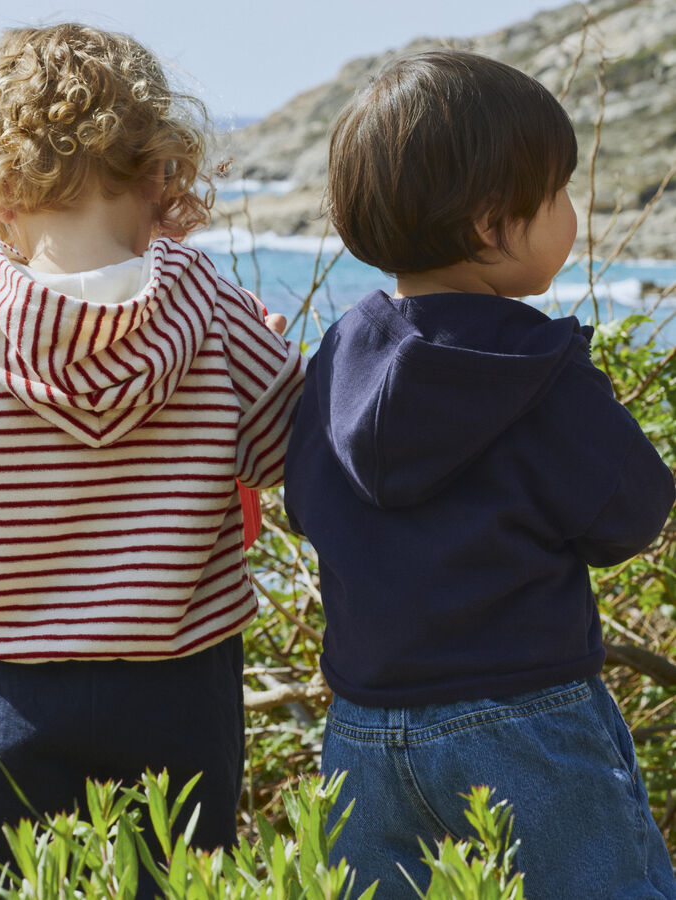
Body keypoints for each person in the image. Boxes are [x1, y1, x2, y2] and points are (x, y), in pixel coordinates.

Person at [0, 21, 305, 884]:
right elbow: (282, 450)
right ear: (161, 173)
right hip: (181, 685)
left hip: (17, 692)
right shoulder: (209, 306)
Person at [283, 50, 676, 900]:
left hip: (361, 730)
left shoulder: (339, 355)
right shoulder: (537, 369)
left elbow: (305, 501)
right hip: (526, 721)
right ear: (493, 224)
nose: (574, 212)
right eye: (559, 194)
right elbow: (633, 512)